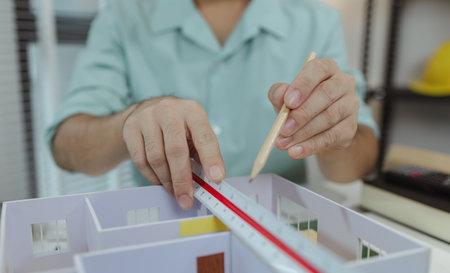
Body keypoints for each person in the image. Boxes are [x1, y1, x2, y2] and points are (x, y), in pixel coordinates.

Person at [47, 0, 379, 210]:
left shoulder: (317, 20)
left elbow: (357, 164)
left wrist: (337, 134)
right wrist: (134, 119)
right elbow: (66, 148)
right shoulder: (124, 16)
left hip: (281, 227)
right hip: (166, 229)